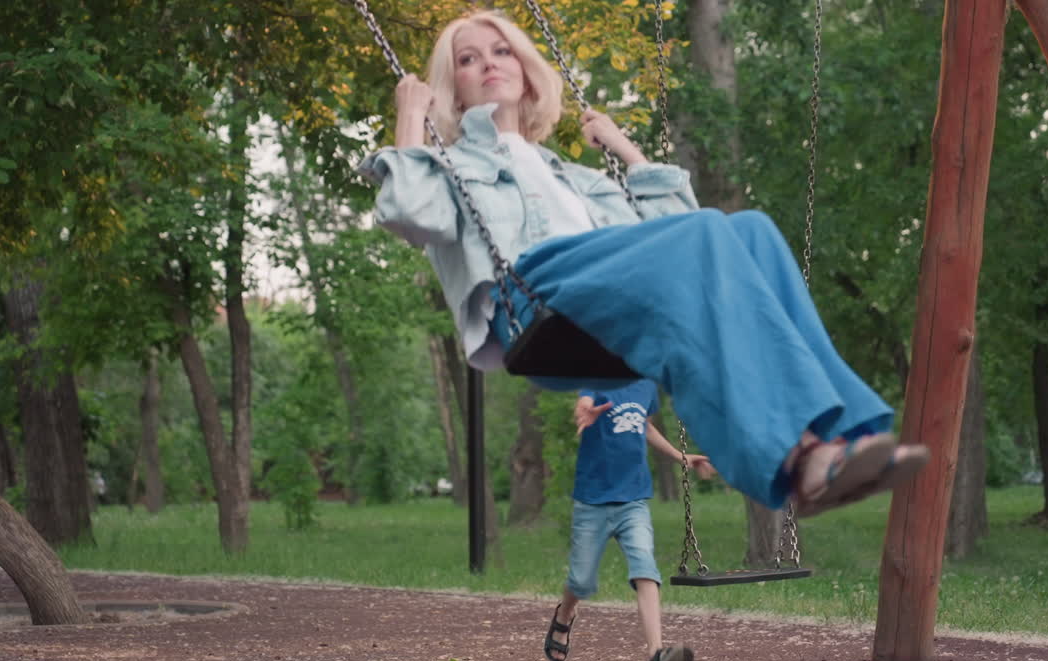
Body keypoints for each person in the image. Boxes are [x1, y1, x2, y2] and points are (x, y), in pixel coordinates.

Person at [358, 10, 930, 519]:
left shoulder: (573, 175)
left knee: (748, 230)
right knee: (711, 231)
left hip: (606, 297)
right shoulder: (450, 165)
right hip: (536, 295)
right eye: (467, 59)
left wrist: (624, 149)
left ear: (527, 69)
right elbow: (408, 215)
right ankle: (788, 460)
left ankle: (832, 446)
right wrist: (410, 117)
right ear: (450, 88)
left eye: (501, 50)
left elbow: (682, 231)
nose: (488, 63)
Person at [544, 380, 714, 661]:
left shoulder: (647, 385)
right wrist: (583, 410)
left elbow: (644, 426)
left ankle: (656, 656)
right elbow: (583, 402)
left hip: (633, 500)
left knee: (645, 567)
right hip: (592, 501)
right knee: (581, 581)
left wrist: (681, 456)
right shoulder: (595, 377)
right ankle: (565, 614)